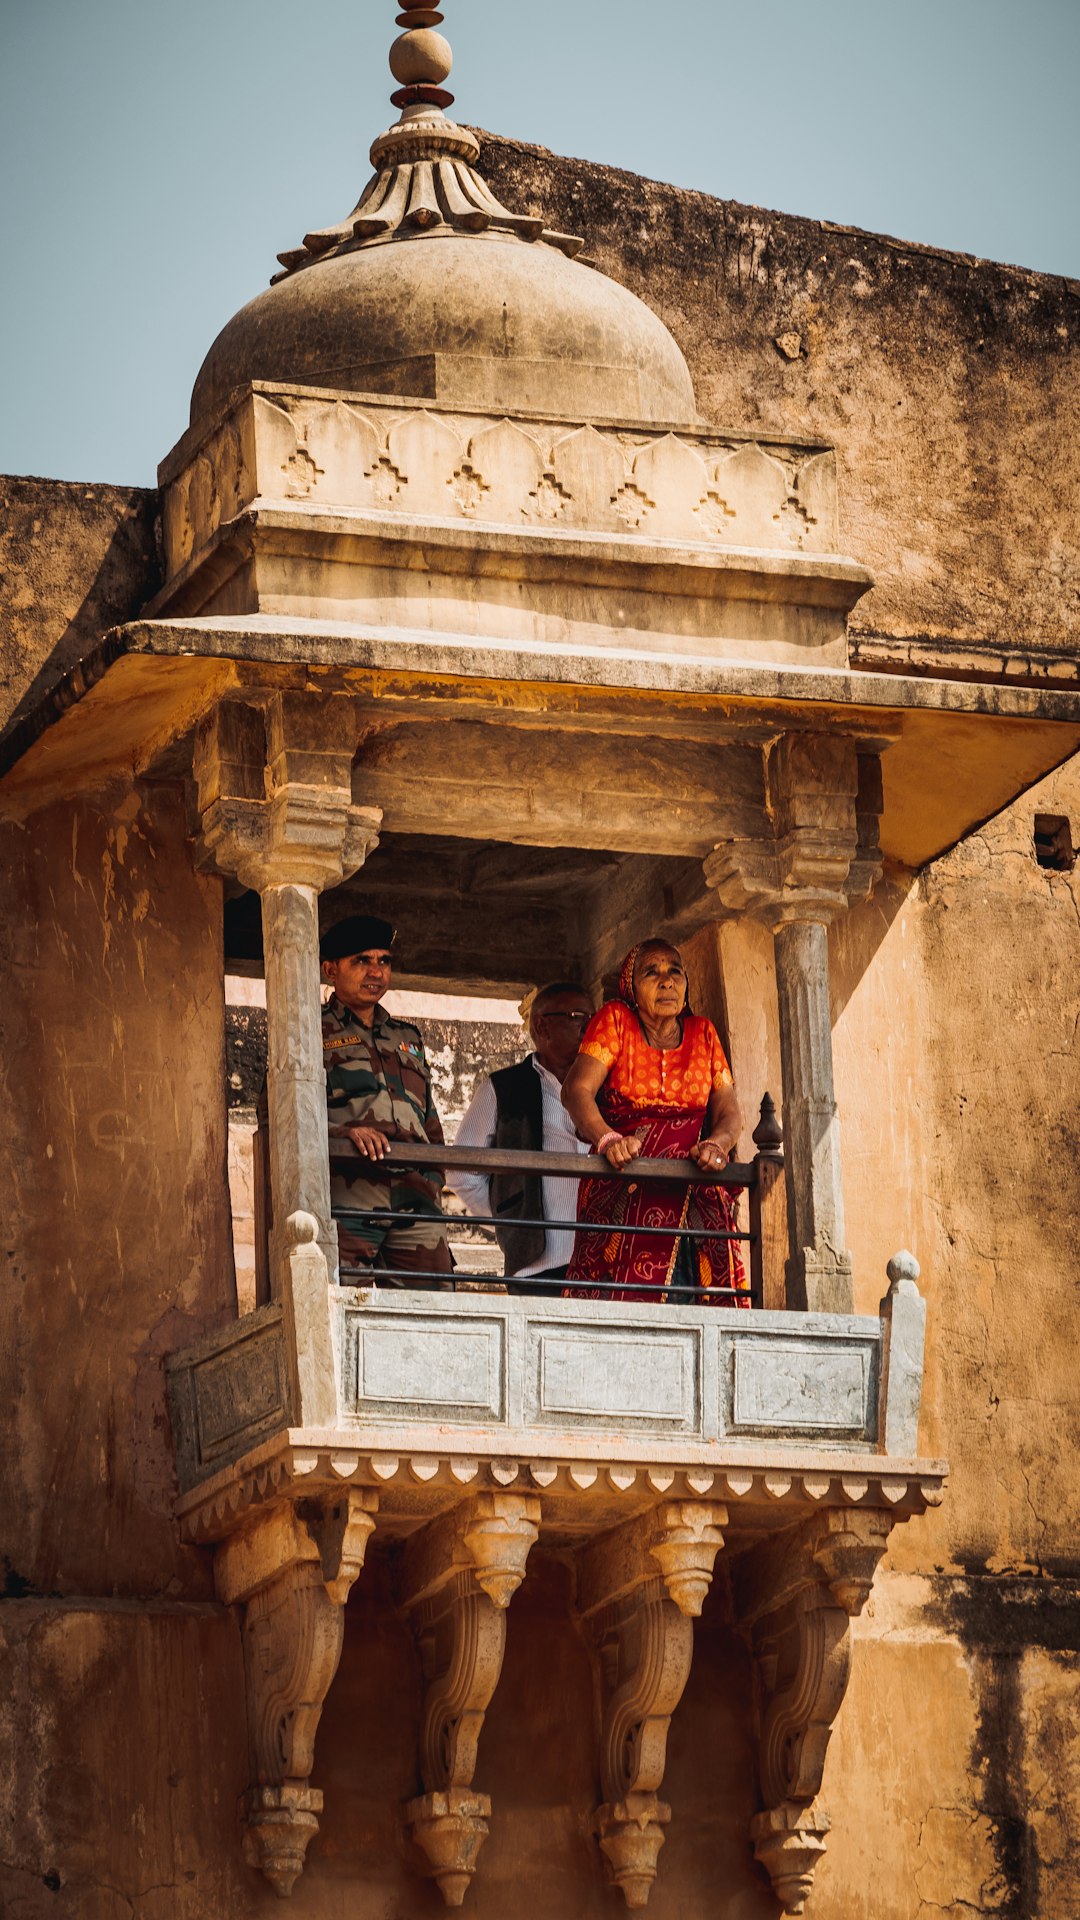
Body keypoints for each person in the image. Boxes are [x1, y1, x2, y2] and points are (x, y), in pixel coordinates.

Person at [560, 939, 747, 1305]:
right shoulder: (615, 1021)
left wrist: (717, 1144)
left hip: (693, 1198)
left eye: (675, 971)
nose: (667, 981)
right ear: (631, 985)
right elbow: (576, 1091)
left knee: (696, 1306)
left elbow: (728, 1110)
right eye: (652, 972)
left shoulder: (704, 1034)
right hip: (625, 1189)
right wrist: (608, 1139)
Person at [321, 913, 452, 1284]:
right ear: (331, 970)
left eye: (384, 961)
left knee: (433, 1317)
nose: (375, 972)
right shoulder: (309, 1031)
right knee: (340, 1310)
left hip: (417, 1196)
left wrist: (435, 1176)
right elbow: (277, 1116)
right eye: (362, 961)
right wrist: (343, 1133)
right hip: (349, 1194)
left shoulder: (406, 1036)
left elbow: (429, 1118)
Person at [448, 982, 594, 1290]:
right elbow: (461, 1171)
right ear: (542, 1026)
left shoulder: (610, 1084)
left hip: (604, 1264)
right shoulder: (504, 1087)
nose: (589, 1026)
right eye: (578, 1016)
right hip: (537, 1267)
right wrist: (511, 1218)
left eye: (593, 1017)